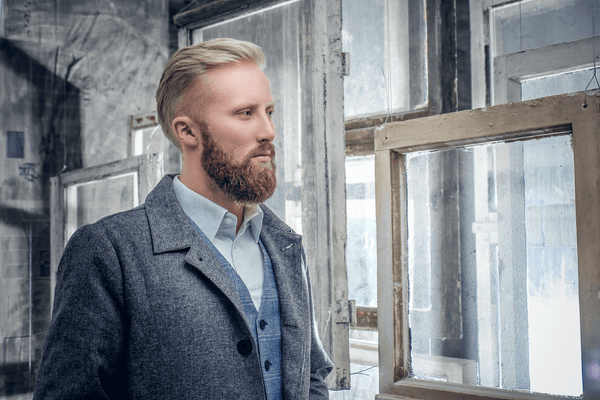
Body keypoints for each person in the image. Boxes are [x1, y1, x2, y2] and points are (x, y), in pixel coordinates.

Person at [33, 38, 333, 399]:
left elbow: (311, 374)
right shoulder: (108, 251)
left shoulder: (286, 246)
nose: (268, 131)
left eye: (269, 111)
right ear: (186, 131)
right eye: (245, 113)